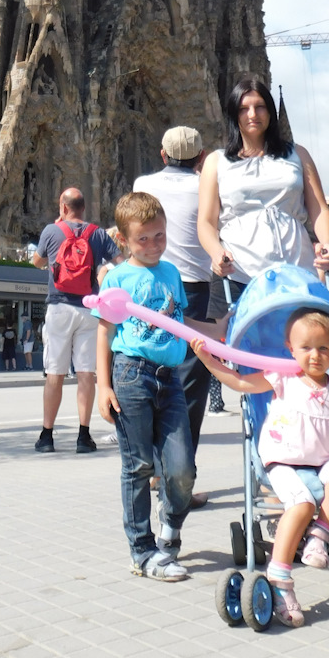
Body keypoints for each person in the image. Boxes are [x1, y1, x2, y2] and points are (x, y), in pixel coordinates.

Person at [192, 307, 329, 627]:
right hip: (283, 460)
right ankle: (280, 578)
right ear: (290, 349)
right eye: (306, 348)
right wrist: (208, 361)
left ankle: (320, 537)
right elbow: (239, 383)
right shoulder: (283, 378)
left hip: (325, 459)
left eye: (324, 348)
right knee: (302, 503)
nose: (315, 355)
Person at [94, 191, 202, 580]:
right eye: (143, 238)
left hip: (169, 378)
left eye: (159, 236)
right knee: (138, 465)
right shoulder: (118, 278)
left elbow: (180, 323)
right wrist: (103, 388)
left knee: (182, 466)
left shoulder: (171, 273)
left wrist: (215, 334)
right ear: (124, 240)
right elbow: (104, 334)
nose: (153, 245)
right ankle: (142, 551)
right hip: (131, 376)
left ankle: (171, 523)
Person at [197, 78, 329, 292]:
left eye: (259, 107)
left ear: (270, 112)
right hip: (239, 274)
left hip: (296, 269)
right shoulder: (217, 161)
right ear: (234, 114)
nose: (252, 114)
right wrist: (216, 253)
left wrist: (328, 243)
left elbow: (318, 208)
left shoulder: (297, 154)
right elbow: (206, 222)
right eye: (244, 109)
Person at [134, 124, 212, 508]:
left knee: (152, 372)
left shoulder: (142, 183)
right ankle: (177, 478)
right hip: (194, 287)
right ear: (200, 158)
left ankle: (151, 465)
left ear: (163, 155)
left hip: (151, 283)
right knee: (189, 387)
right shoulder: (206, 186)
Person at [32, 187, 120, 453]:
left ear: (63, 206)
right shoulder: (98, 234)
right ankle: (84, 436)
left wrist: (57, 231)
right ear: (84, 207)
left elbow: (37, 262)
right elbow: (121, 261)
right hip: (88, 309)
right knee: (86, 374)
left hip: (58, 308)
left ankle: (47, 436)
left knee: (54, 374)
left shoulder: (51, 231)